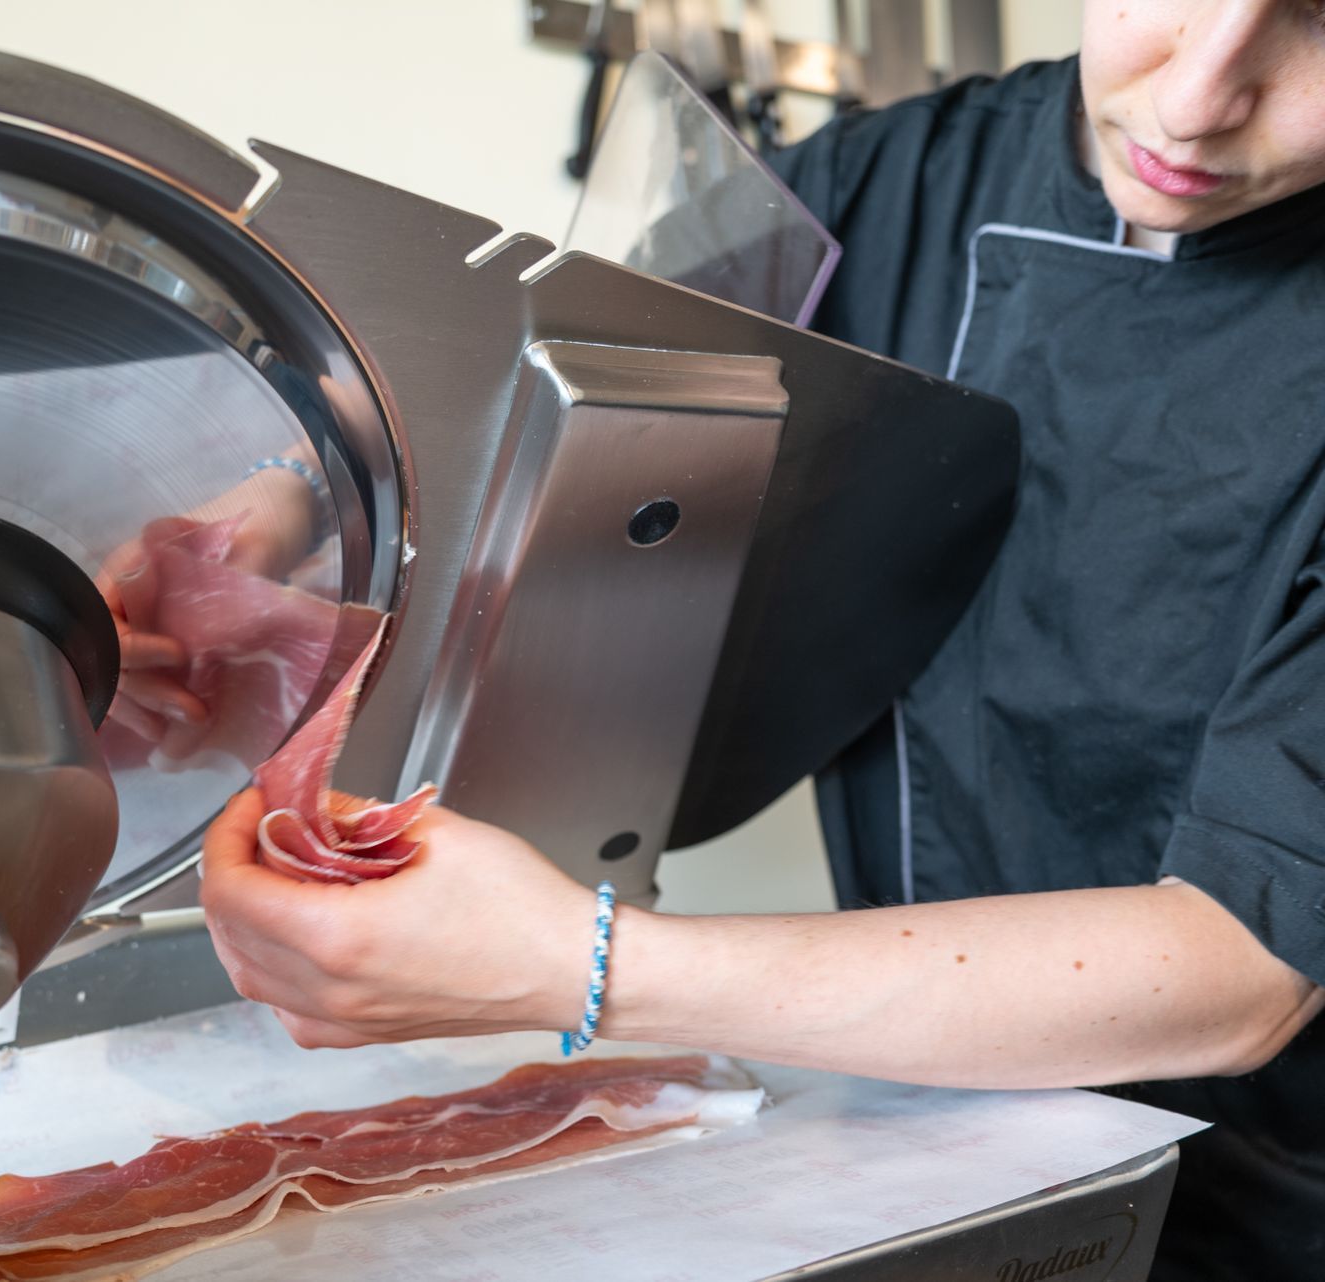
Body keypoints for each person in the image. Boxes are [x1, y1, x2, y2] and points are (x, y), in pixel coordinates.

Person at [194, 2, 1325, 1276]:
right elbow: (563, 389)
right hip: (929, 1131)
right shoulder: (879, 180)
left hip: (1270, 1211)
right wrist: (283, 509)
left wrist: (577, 965)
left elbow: (1247, 963)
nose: (1195, 101)